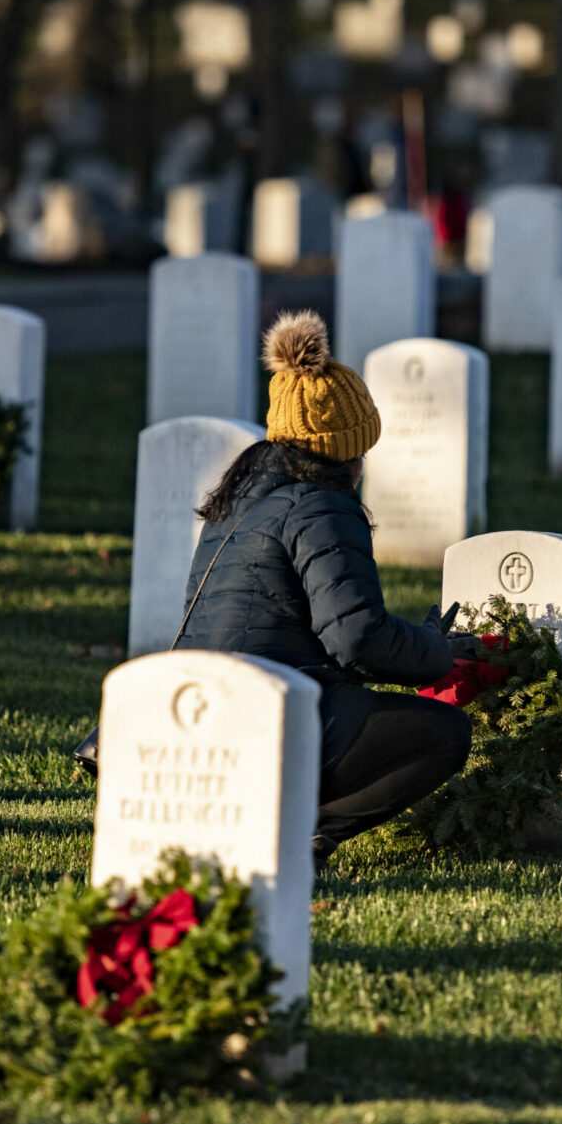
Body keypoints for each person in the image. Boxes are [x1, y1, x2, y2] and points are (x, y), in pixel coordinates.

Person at [174, 312, 474, 871]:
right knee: (443, 733)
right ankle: (303, 833)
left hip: (204, 705)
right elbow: (359, 639)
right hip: (271, 710)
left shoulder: (238, 499)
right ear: (348, 449)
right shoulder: (323, 506)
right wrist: (438, 651)